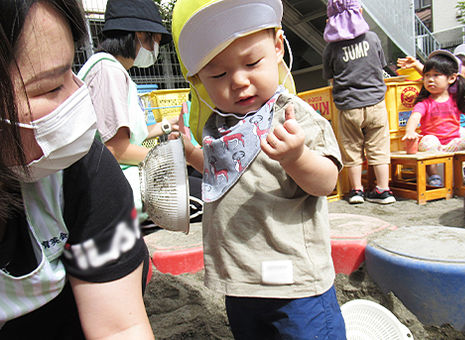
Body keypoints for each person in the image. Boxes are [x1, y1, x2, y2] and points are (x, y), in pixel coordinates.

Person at [171, 0, 346, 338]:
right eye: (218, 74)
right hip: (240, 280)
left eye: (252, 62)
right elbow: (221, 171)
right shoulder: (220, 126)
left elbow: (327, 181)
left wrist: (297, 158)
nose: (238, 81)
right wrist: (193, 152)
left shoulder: (294, 117)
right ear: (200, 80)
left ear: (278, 47)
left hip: (295, 285)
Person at [0, 0, 154, 339]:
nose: (78, 97)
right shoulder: (111, 71)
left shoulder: (83, 168)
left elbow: (119, 327)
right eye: (51, 87)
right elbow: (119, 147)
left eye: (71, 70)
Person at [78, 0, 173, 223]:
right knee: (195, 194)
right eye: (155, 41)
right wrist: (172, 160)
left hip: (118, 179)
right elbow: (116, 149)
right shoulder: (107, 70)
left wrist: (166, 126)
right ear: (139, 34)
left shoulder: (112, 68)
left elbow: (125, 135)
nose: (155, 50)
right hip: (110, 189)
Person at [322, 0, 396, 205]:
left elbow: (330, 77)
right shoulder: (372, 39)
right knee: (379, 148)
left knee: (352, 149)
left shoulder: (331, 48)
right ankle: (383, 190)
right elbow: (381, 66)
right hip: (376, 103)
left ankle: (356, 191)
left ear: (330, 20)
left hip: (348, 106)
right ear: (360, 12)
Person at [402, 50, 465, 187]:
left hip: (453, 144)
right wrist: (410, 131)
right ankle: (434, 176)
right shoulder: (424, 103)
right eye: (427, 76)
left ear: (451, 78)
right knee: (427, 141)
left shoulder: (456, 100)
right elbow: (414, 117)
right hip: (434, 145)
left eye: (436, 75)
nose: (430, 79)